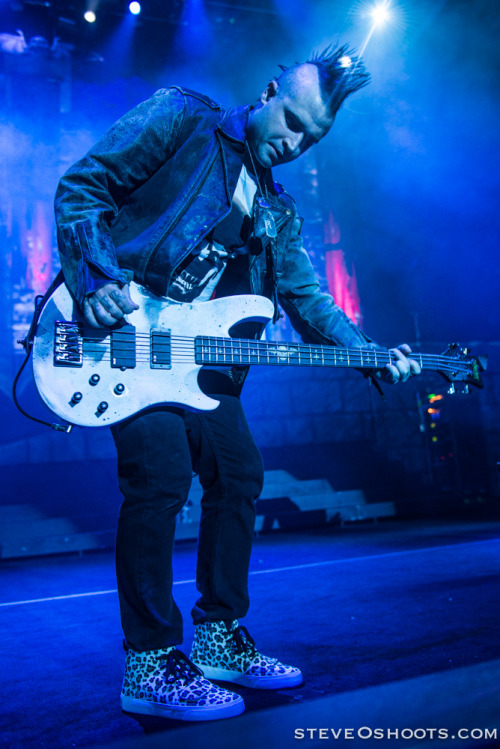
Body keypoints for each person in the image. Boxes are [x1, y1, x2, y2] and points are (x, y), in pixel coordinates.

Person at [54, 45, 421, 722]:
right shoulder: (182, 119)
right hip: (124, 340)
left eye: (312, 137)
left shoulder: (278, 217)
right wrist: (98, 280)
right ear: (271, 88)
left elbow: (310, 304)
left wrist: (372, 353)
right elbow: (84, 187)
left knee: (240, 472)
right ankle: (150, 662)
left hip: (199, 365)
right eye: (292, 120)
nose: (296, 141)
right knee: (161, 475)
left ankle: (219, 636)